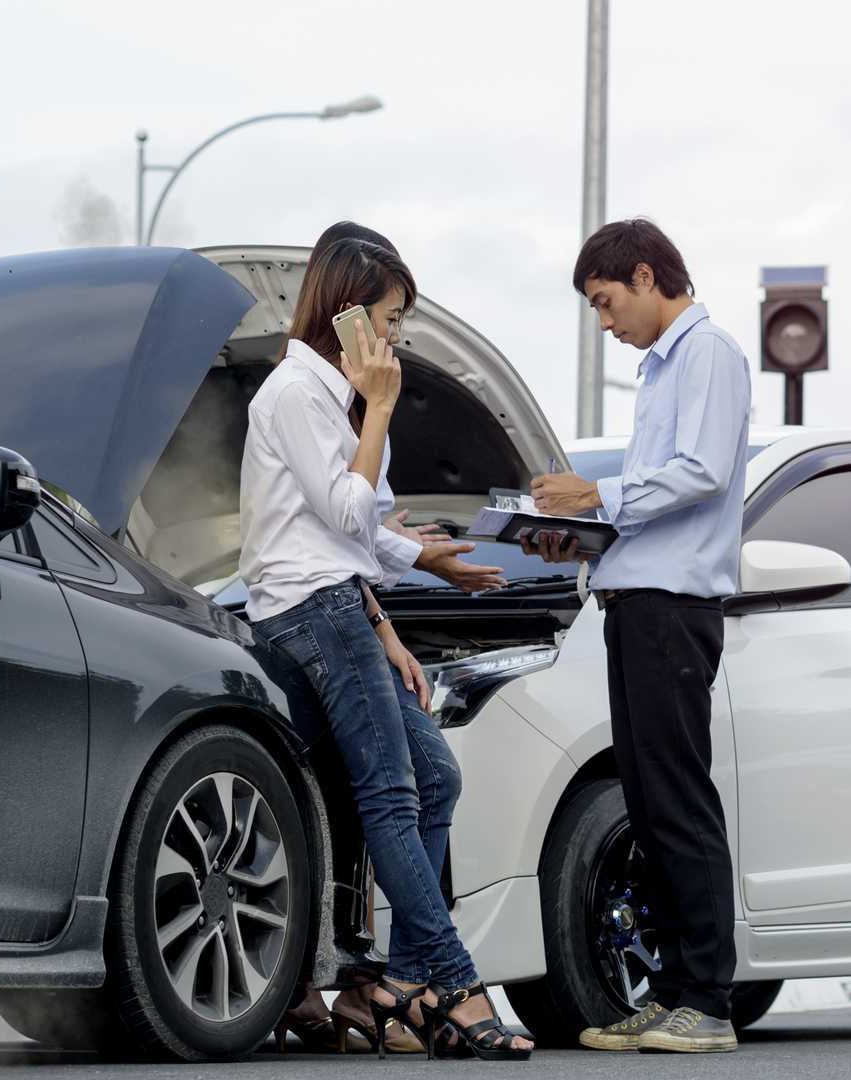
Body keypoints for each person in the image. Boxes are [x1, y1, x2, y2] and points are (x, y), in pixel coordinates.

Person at [241, 232, 531, 1060]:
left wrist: (425, 566)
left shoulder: (331, 395)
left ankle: (402, 978)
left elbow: (365, 523)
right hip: (313, 613)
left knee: (435, 776)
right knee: (393, 797)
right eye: (393, 318)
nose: (398, 336)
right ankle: (454, 984)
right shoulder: (298, 393)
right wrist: (383, 405)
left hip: (339, 604)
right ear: (350, 313)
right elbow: (344, 516)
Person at [528, 218, 751, 1054]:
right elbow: (657, 497)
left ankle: (708, 1000)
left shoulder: (710, 354)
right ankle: (670, 994)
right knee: (651, 807)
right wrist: (578, 530)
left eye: (606, 301)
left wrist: (599, 499)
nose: (605, 322)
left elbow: (702, 474)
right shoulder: (662, 367)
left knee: (679, 799)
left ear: (648, 276)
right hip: (635, 602)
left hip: (672, 609)